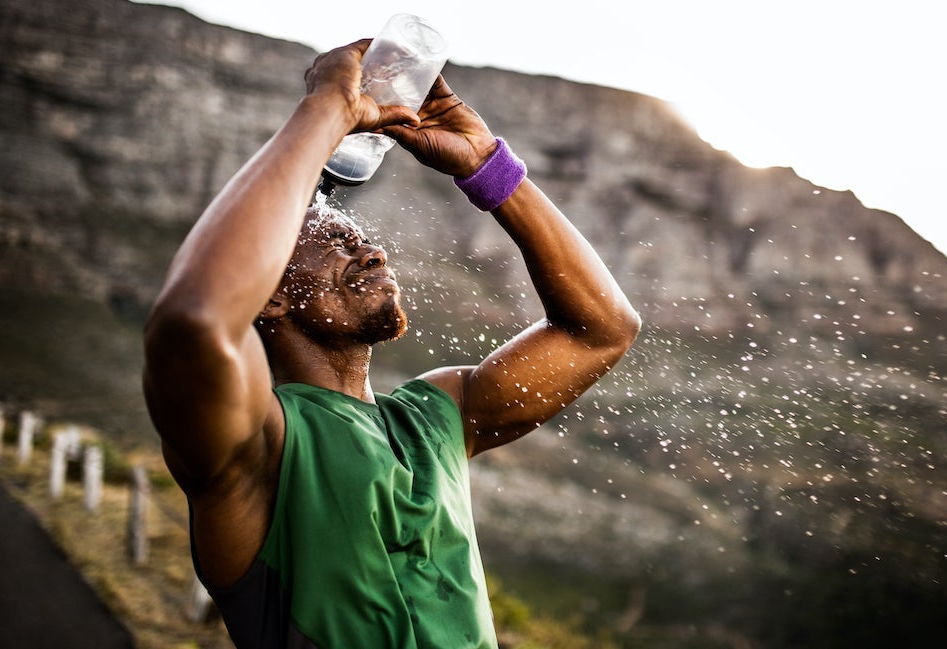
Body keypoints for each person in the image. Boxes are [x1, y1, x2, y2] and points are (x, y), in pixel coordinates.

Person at [142, 39, 640, 648]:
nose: (371, 250)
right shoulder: (256, 444)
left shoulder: (437, 416)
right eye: (332, 241)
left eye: (362, 238)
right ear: (270, 295)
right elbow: (194, 319)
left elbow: (602, 330)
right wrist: (329, 105)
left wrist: (486, 164)